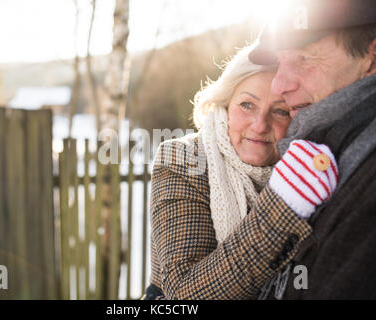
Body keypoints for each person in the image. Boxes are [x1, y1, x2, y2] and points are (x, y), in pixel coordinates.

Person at [143, 44, 338, 299]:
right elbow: (185, 292)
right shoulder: (183, 158)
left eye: (279, 111)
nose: (259, 125)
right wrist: (283, 205)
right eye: (247, 105)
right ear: (225, 104)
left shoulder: (310, 168)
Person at [248, 0, 376, 299]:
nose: (279, 84)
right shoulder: (317, 149)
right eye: (280, 61)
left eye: (305, 57)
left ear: (372, 58)